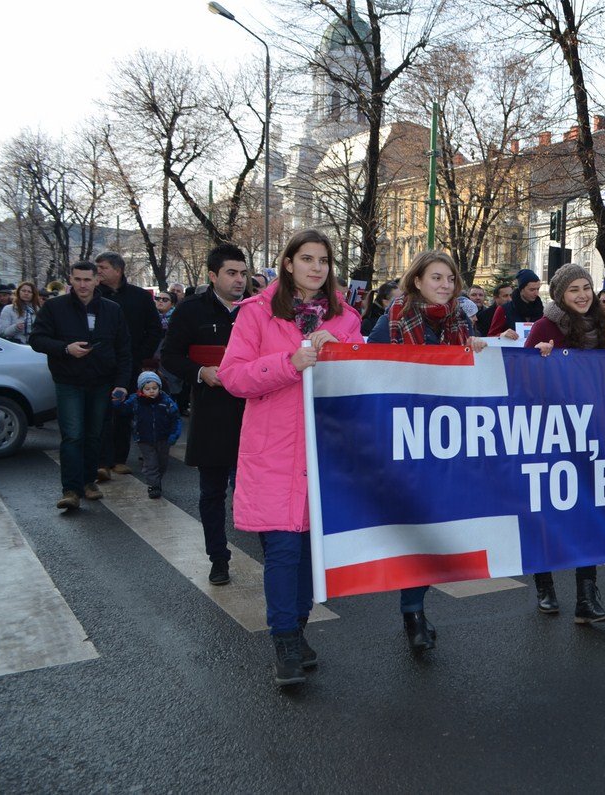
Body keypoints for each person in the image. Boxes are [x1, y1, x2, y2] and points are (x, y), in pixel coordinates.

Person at [217, 229, 361, 688]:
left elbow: (360, 379)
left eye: (324, 260)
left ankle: (296, 631)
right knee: (282, 550)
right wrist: (290, 363)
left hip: (324, 452)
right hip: (274, 451)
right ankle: (284, 642)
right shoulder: (256, 313)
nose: (316, 268)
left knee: (310, 551)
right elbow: (234, 377)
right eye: (307, 259)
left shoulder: (346, 317)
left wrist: (339, 354)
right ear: (288, 263)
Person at [369, 250, 488, 650]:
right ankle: (413, 612)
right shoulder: (392, 320)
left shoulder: (461, 321)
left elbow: (472, 379)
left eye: (450, 279)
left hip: (446, 440)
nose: (445, 285)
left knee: (434, 524)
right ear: (417, 281)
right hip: (403, 438)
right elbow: (364, 372)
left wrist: (481, 352)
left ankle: (415, 606)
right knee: (415, 526)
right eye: (436, 277)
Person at [527, 263, 605, 623]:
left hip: (591, 431)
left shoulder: (602, 324)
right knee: (548, 513)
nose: (582, 295)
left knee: (590, 510)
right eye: (573, 289)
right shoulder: (545, 326)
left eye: (586, 287)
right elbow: (520, 379)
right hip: (551, 432)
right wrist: (536, 359)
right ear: (560, 294)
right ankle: (544, 586)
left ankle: (586, 598)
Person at [161, 243, 250, 586]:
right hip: (212, 412)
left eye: (243, 273)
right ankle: (218, 557)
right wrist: (200, 372)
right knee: (212, 492)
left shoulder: (257, 309)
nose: (239, 280)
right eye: (231, 273)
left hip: (254, 412)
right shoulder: (191, 311)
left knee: (255, 488)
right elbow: (170, 356)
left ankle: (272, 552)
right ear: (213, 276)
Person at [28, 262, 131, 511]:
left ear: (97, 280)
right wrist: (66, 349)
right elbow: (37, 339)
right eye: (78, 279)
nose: (82, 284)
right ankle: (71, 490)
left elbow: (123, 349)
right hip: (69, 381)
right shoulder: (55, 307)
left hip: (101, 381)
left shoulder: (112, 309)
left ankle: (88, 482)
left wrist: (121, 383)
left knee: (94, 435)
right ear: (70, 280)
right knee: (73, 435)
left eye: (87, 279)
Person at [94, 252, 162, 481]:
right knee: (100, 412)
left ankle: (119, 458)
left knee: (124, 411)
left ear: (118, 270)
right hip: (100, 364)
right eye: (97, 267)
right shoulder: (94, 295)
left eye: (103, 267)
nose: (98, 272)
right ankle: (101, 461)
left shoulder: (139, 296)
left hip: (130, 363)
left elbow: (154, 329)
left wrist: (140, 356)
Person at [115, 371, 181, 499]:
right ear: (141, 389)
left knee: (162, 463)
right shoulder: (135, 400)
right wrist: (117, 403)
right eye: (147, 389)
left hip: (163, 438)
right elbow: (124, 411)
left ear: (159, 388)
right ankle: (153, 485)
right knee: (151, 463)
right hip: (144, 438)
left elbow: (176, 418)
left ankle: (156, 481)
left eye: (154, 388)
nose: (151, 391)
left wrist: (174, 434)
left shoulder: (166, 401)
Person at [488, 269, 543, 339]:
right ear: (521, 290)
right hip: (510, 346)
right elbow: (491, 336)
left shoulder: (541, 310)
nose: (536, 293)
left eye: (538, 289)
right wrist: (502, 335)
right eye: (532, 290)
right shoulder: (504, 309)